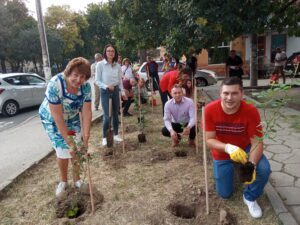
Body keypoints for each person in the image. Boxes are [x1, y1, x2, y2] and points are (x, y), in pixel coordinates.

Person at [204, 77, 271, 218]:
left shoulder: (251, 111)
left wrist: (251, 164)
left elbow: (257, 142)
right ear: (220, 93)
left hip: (245, 148)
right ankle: (231, 170)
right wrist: (228, 148)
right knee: (225, 194)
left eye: (234, 93)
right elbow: (209, 140)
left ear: (242, 94)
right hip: (222, 152)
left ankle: (250, 197)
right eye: (226, 93)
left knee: (264, 169)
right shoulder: (210, 110)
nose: (229, 98)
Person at [39, 57, 92, 196]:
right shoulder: (55, 83)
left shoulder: (86, 87)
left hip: (72, 117)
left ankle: (77, 180)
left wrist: (86, 138)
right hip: (52, 118)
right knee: (64, 149)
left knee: (78, 148)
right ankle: (63, 181)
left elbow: (86, 112)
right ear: (68, 73)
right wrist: (68, 141)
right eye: (75, 75)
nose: (78, 80)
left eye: (82, 77)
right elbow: (57, 116)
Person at [95, 44, 127, 146]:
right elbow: (97, 80)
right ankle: (104, 136)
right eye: (108, 51)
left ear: (115, 53)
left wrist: (122, 92)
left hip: (116, 91)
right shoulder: (100, 65)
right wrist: (106, 86)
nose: (110, 53)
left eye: (112, 51)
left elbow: (120, 81)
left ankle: (116, 134)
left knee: (115, 114)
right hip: (105, 91)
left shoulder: (117, 65)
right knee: (107, 115)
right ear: (105, 52)